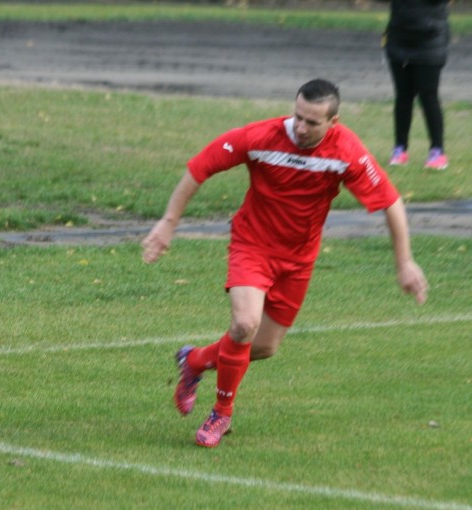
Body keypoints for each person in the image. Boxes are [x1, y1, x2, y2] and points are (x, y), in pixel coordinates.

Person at [141, 78, 428, 448]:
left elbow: (390, 201)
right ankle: (221, 414)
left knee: (263, 347)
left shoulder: (346, 151)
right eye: (298, 117)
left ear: (333, 123)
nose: (302, 128)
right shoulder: (260, 137)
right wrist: (167, 224)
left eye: (313, 122)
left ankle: (195, 361)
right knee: (244, 324)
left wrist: (404, 263)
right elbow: (199, 168)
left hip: (298, 259)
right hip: (252, 245)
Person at [382, 0, 451, 170]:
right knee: (403, 96)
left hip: (430, 40)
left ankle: (437, 151)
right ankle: (400, 149)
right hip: (399, 38)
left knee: (428, 96)